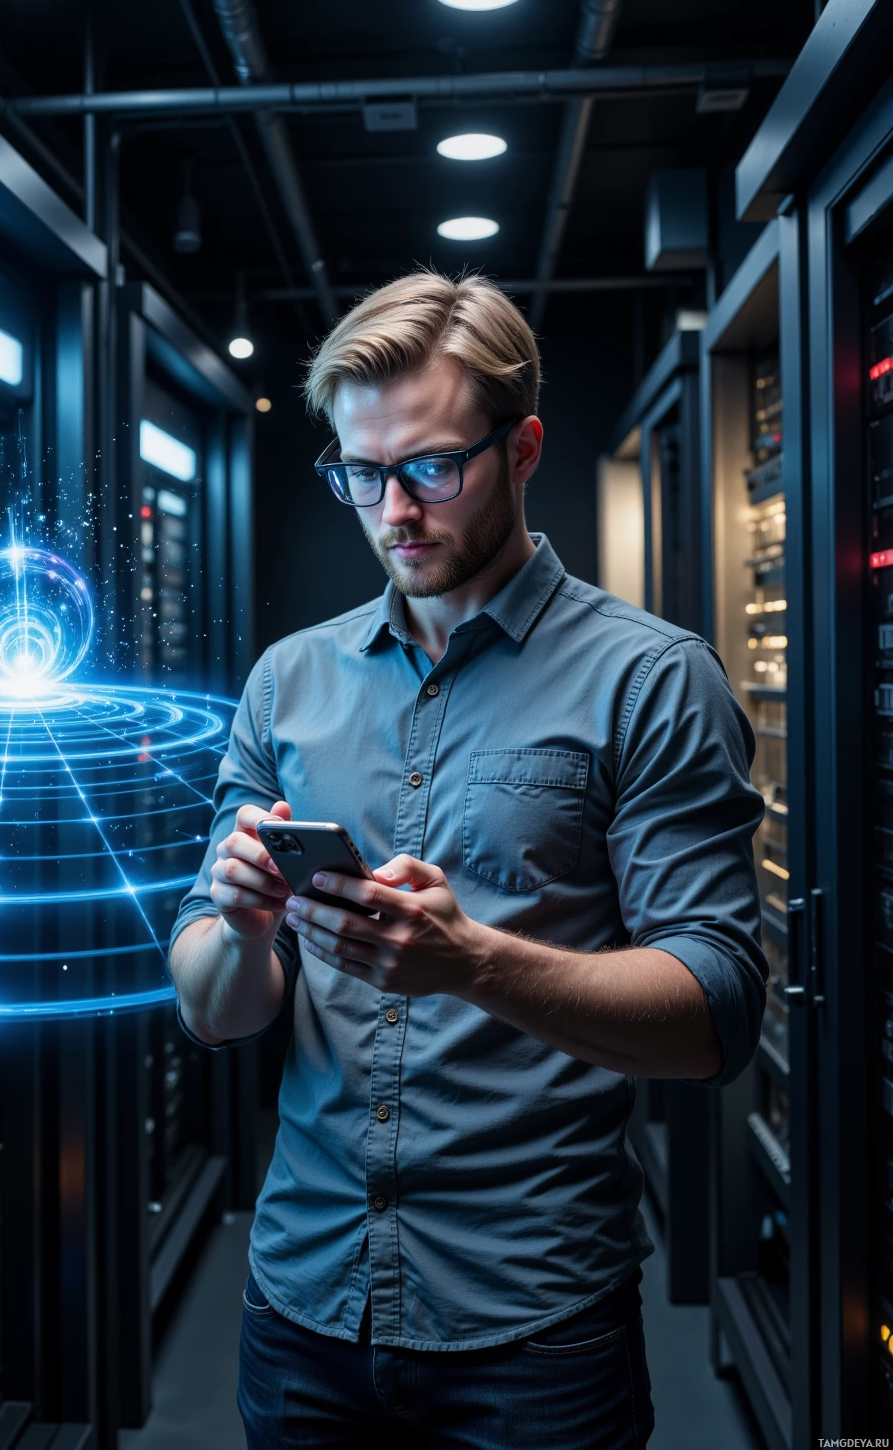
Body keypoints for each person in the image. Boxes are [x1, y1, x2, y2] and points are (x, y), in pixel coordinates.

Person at [169, 271, 766, 1450]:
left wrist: (472, 963)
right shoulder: (288, 682)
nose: (393, 509)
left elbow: (716, 1013)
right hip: (303, 1307)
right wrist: (238, 930)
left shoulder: (650, 680)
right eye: (357, 473)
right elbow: (215, 1013)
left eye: (430, 467)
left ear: (524, 446)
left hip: (534, 1333)